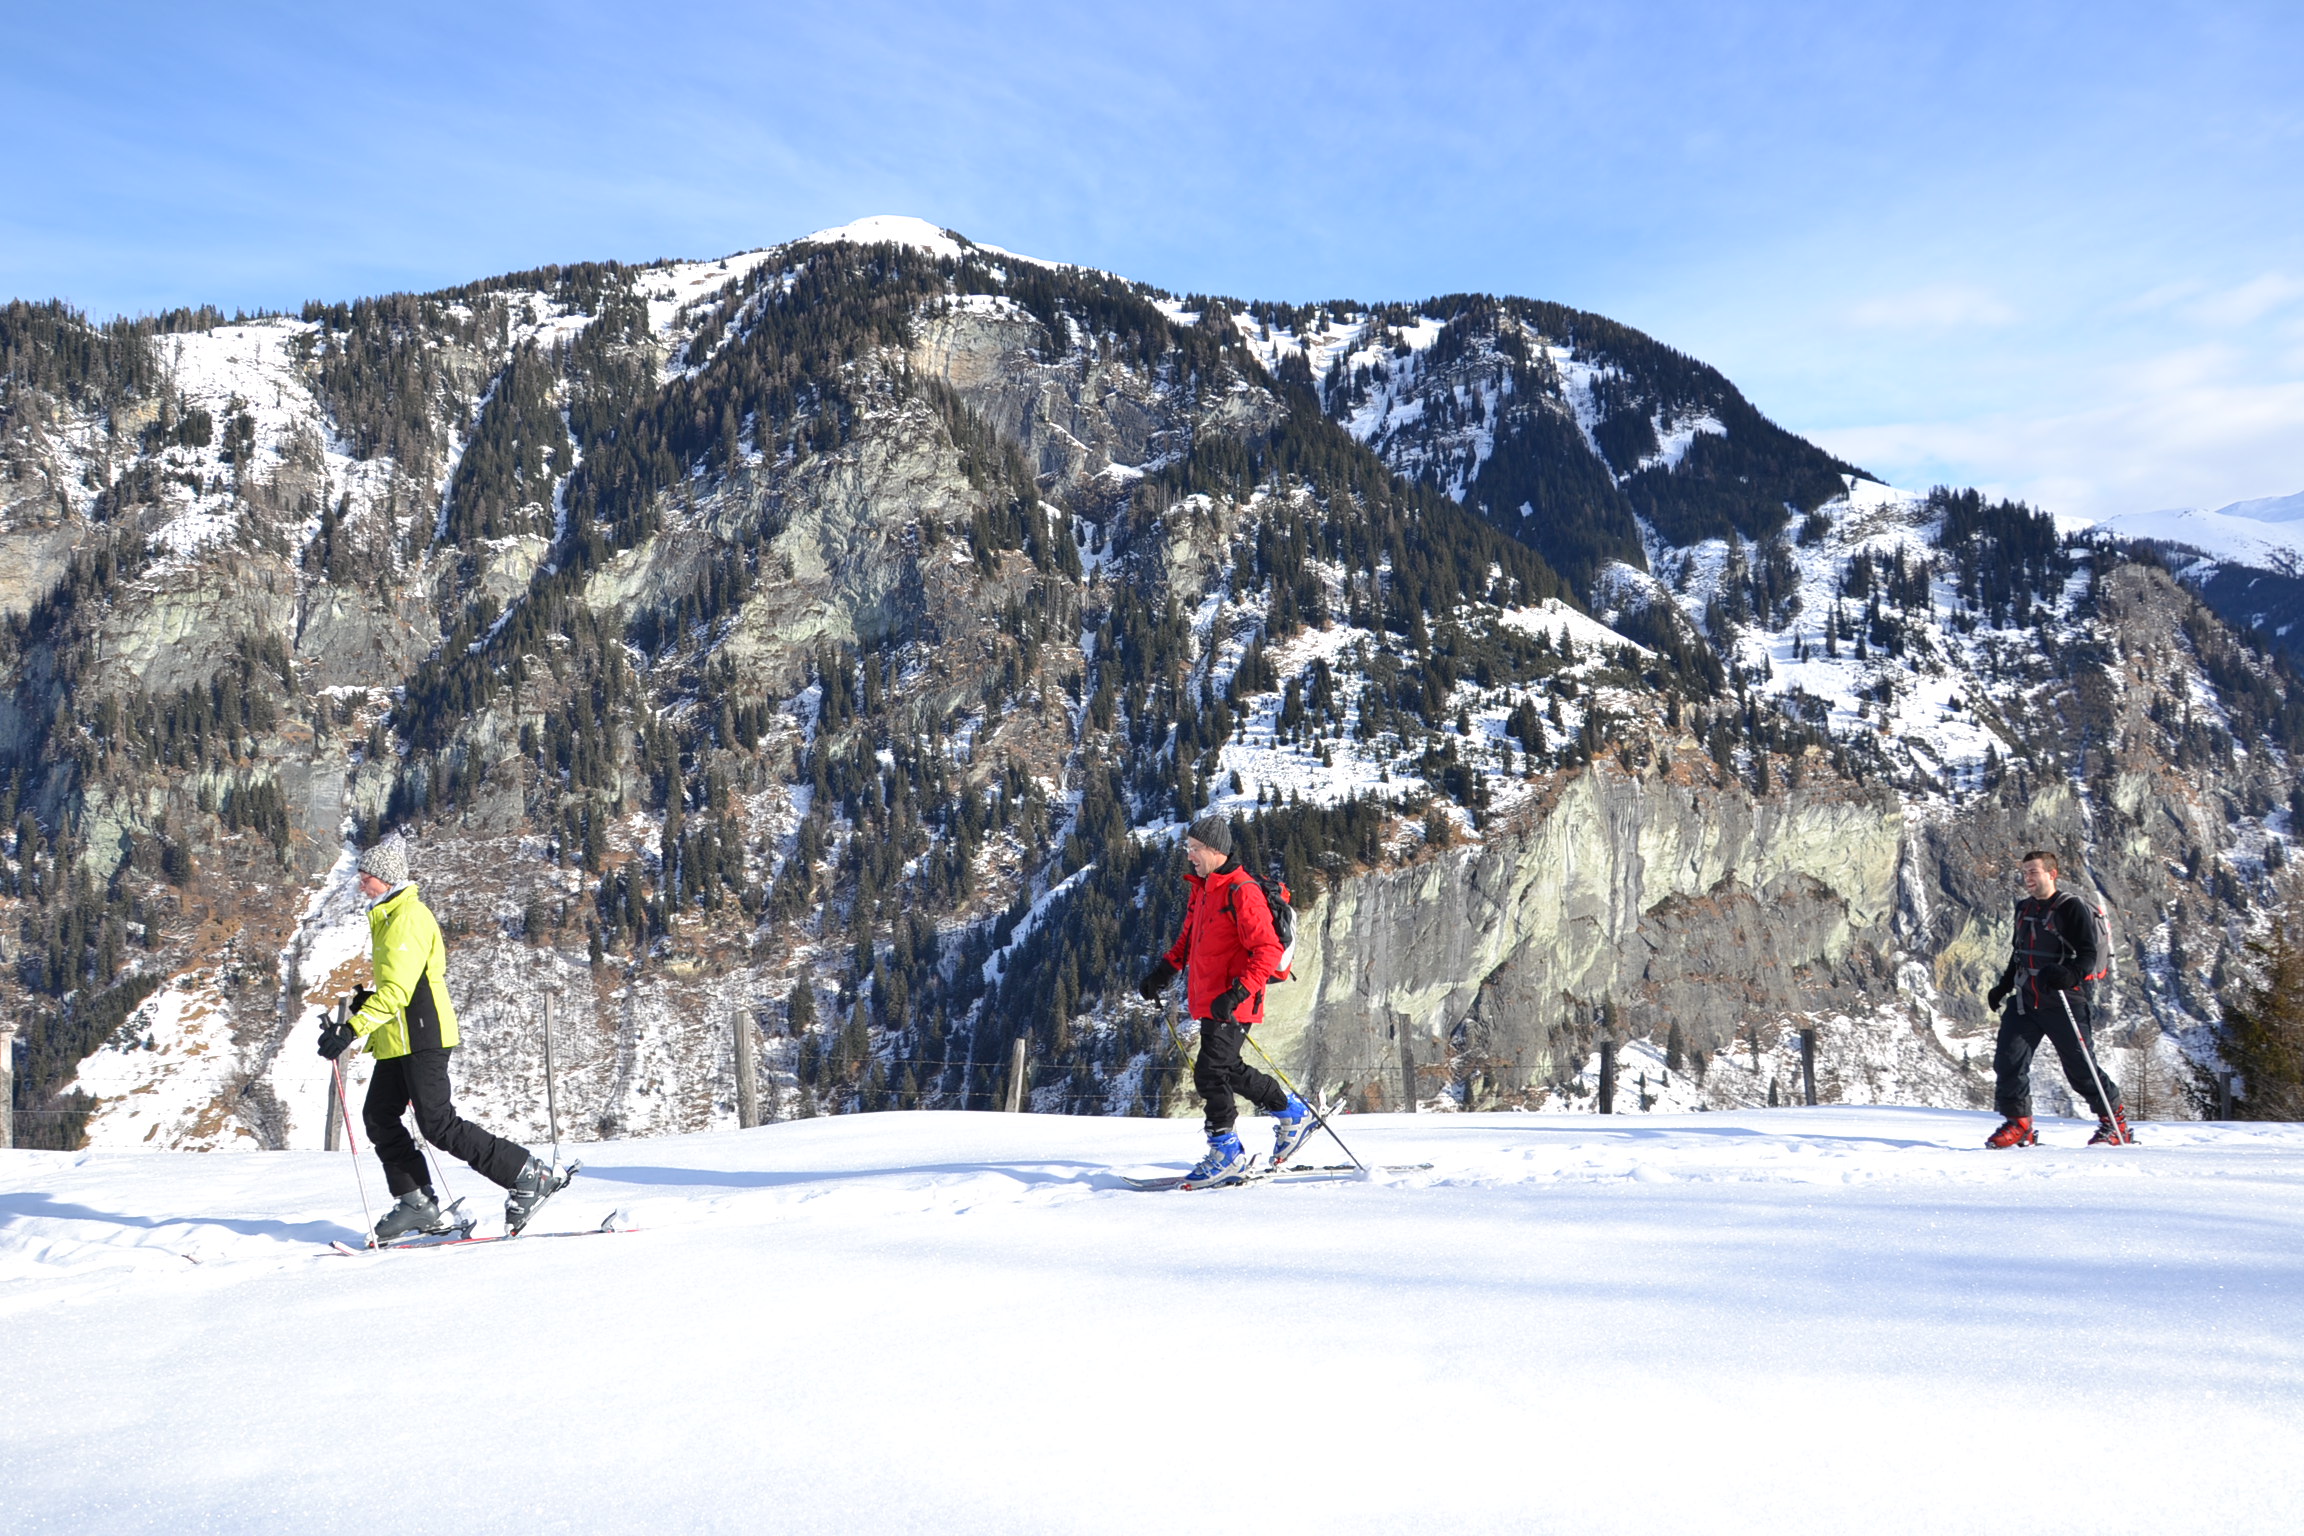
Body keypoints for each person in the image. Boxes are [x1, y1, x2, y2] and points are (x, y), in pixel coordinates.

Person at [319, 838, 573, 1240]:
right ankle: (416, 1203)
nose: (361, 885)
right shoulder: (388, 916)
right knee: (379, 1116)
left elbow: (402, 991)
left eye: (365, 878)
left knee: (438, 1124)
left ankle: (528, 1175)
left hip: (424, 1036)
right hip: (398, 1039)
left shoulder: (407, 917)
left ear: (385, 879)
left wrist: (352, 1029)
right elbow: (398, 984)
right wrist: (366, 1005)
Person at [1137, 816, 1314, 1186]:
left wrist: (1236, 993)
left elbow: (1267, 949)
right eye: (1188, 849)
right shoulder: (1203, 888)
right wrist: (1162, 973)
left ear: (1216, 850)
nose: (1190, 857)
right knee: (1227, 1068)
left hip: (1233, 999)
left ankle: (1226, 1151)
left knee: (1210, 1072)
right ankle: (1291, 1113)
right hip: (1211, 997)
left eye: (1195, 849)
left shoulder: (1241, 891)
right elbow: (1188, 940)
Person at [1983, 849, 2132, 1148]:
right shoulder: (2023, 908)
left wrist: (2070, 974)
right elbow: (2019, 953)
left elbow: (2088, 954)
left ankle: (2115, 1125)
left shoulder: (2071, 908)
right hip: (2026, 1000)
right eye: (2025, 872)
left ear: (2052, 874)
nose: (2028, 878)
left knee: (2080, 1068)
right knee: (2009, 1061)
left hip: (2063, 1000)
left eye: (2033, 872)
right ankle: (2019, 1124)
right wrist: (2004, 985)